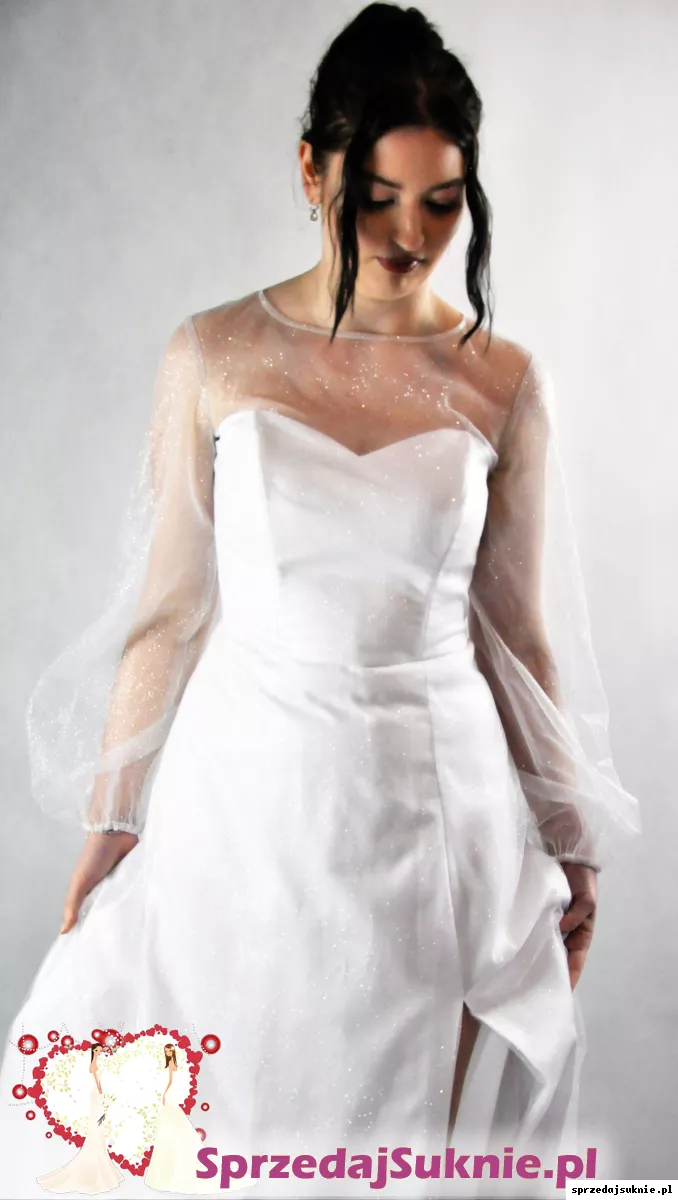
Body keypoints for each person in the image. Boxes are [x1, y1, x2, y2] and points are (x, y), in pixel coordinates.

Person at [0, 4, 640, 1198]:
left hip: (436, 824)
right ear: (312, 171)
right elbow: (170, 614)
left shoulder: (503, 381)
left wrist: (570, 836)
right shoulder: (212, 353)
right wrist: (114, 818)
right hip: (245, 810)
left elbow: (516, 633)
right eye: (377, 198)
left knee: (393, 1148)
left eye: (442, 202)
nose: (411, 236)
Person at [144, 1044, 256, 1194]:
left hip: (169, 1094)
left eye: (169, 1051)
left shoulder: (171, 1065)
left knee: (171, 1125)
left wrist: (164, 1093)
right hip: (170, 1095)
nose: (167, 1053)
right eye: (166, 1051)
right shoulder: (170, 1064)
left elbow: (170, 1081)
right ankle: (169, 1168)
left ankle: (172, 1170)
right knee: (170, 1126)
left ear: (172, 1052)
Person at [35, 1044, 124, 1195]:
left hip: (96, 1094)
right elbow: (96, 1080)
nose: (99, 1052)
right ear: (93, 1051)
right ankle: (95, 1162)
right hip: (96, 1094)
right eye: (97, 1050)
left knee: (99, 1126)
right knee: (97, 1124)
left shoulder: (97, 1063)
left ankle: (99, 1159)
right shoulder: (93, 1064)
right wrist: (101, 1092)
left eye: (100, 1050)